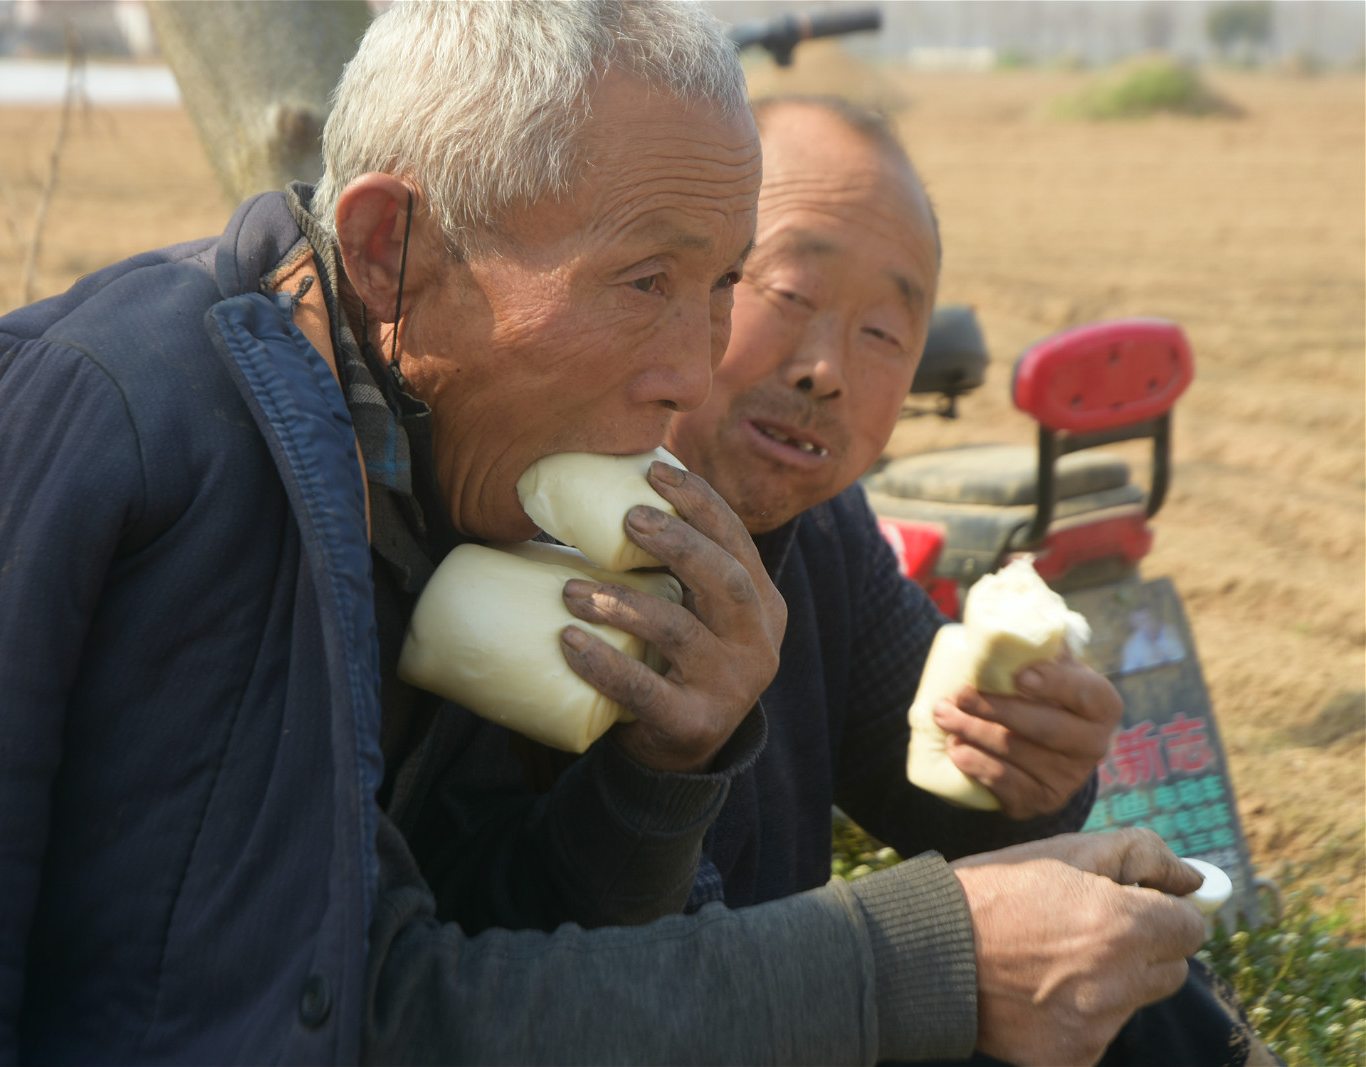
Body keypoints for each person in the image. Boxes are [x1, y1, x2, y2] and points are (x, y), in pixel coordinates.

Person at [0, 4, 1204, 1064]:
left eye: (715, 287)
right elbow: (352, 1011)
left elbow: (483, 928)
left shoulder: (425, 484)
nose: (703, 370)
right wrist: (926, 957)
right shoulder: (185, 451)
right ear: (396, 250)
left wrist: (663, 764)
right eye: (644, 281)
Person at [402, 95, 1269, 1066]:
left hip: (810, 1012)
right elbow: (514, 953)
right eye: (787, 293)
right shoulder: (532, 541)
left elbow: (923, 775)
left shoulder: (825, 529)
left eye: (882, 334)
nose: (824, 370)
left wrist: (1029, 777)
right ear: (684, 283)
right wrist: (660, 767)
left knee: (1138, 999)